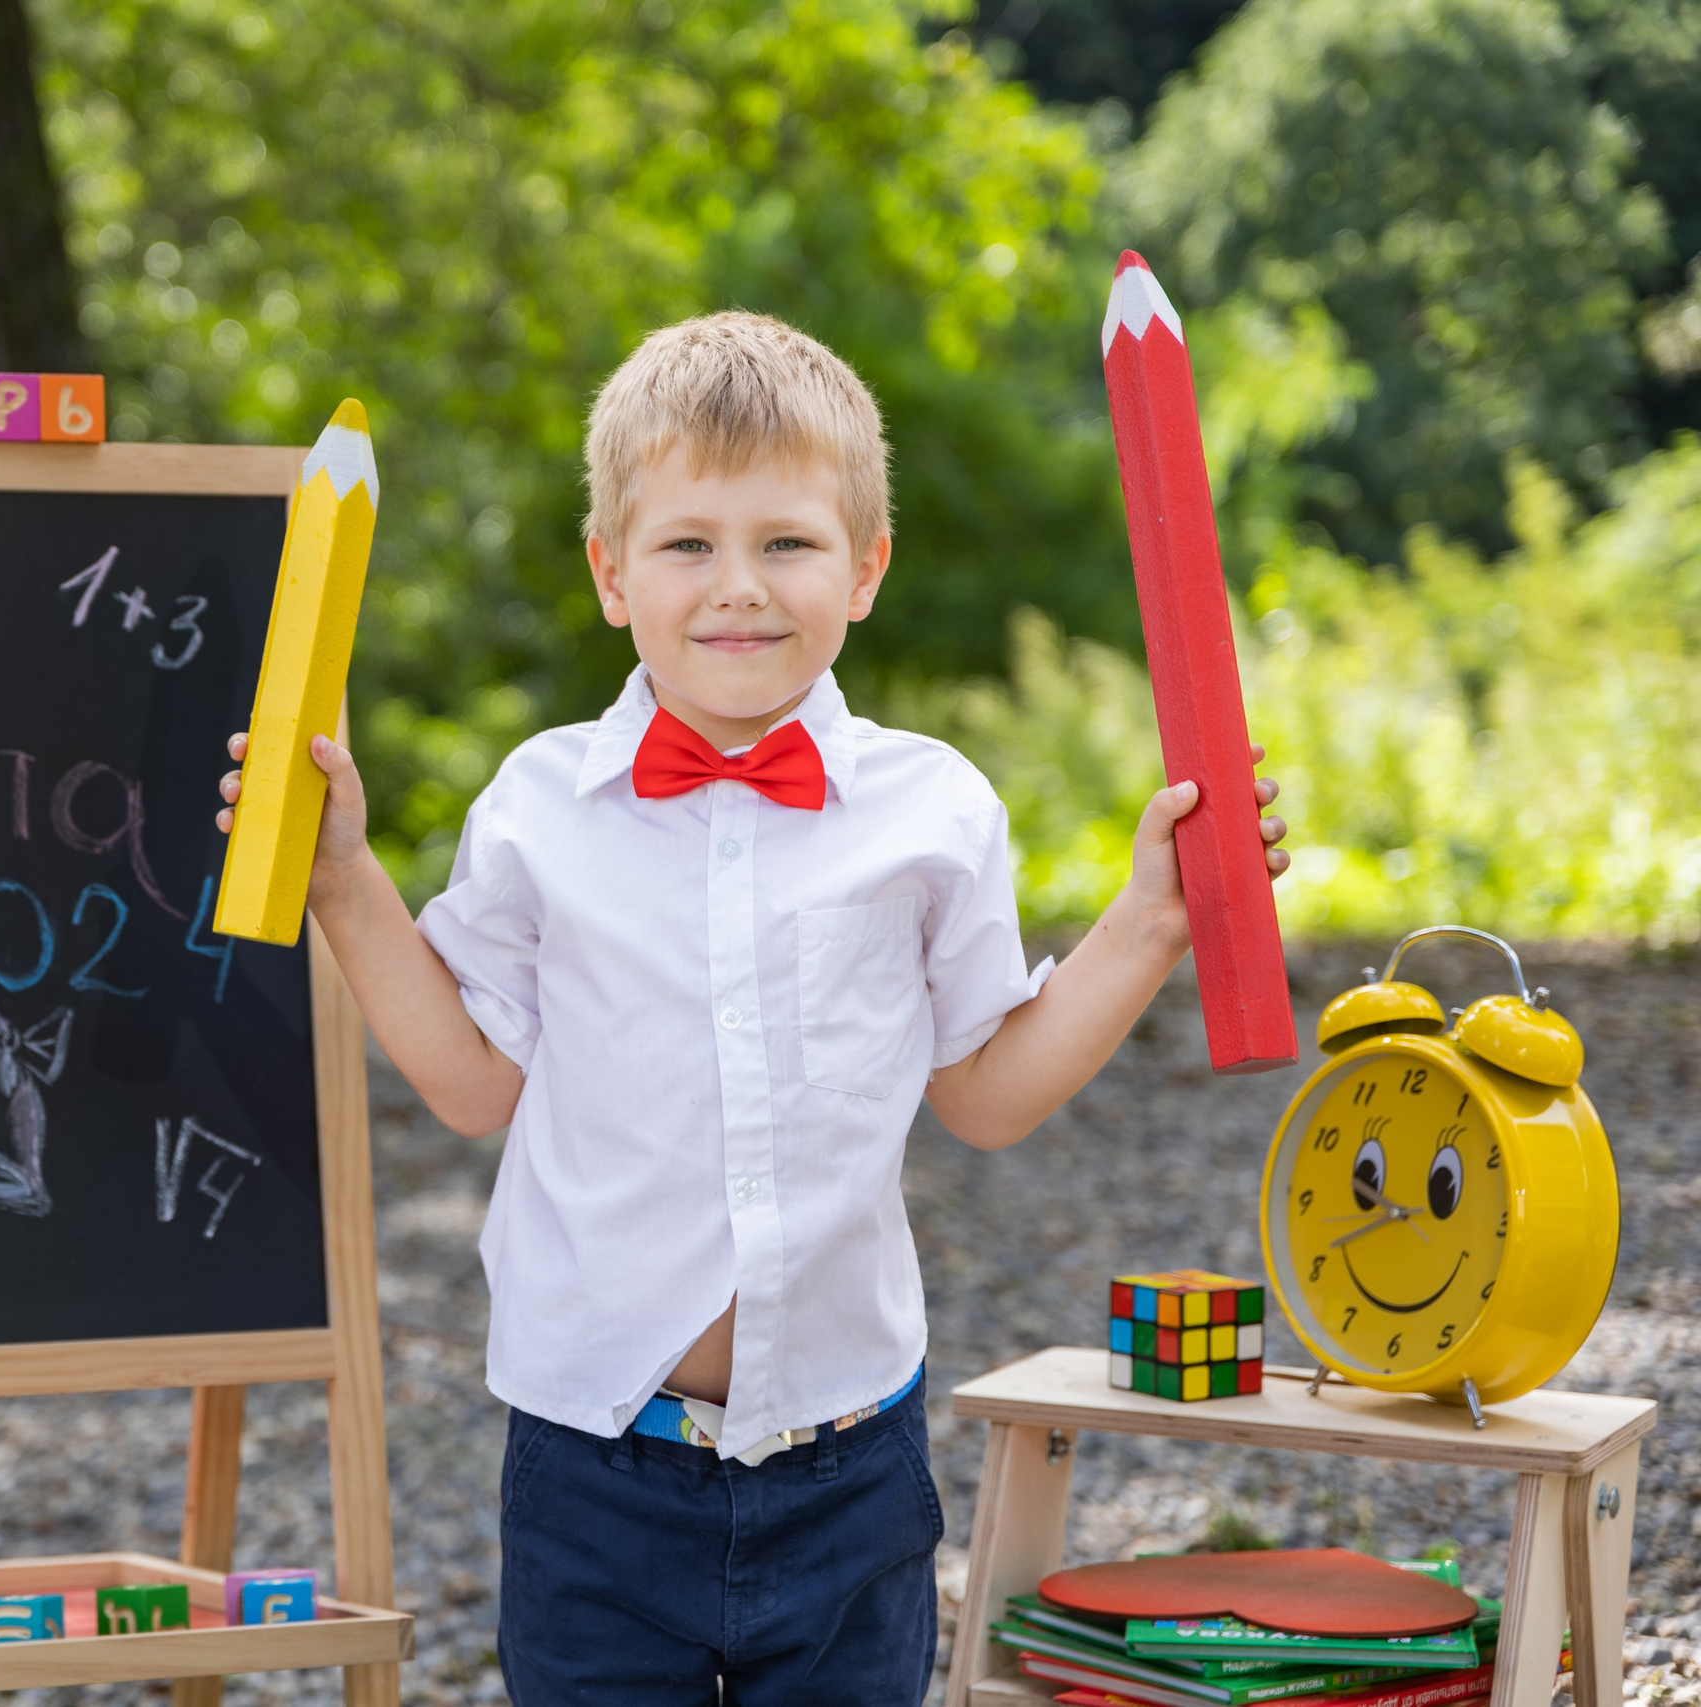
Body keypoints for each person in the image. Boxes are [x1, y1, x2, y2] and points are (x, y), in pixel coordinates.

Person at [214, 311, 1290, 1705]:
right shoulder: (538, 808)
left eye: (786, 543)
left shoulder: (933, 809)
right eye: (687, 546)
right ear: (611, 573)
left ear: (867, 567)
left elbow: (989, 1092)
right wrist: (345, 882)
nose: (740, 588)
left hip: (849, 1458)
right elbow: (475, 1085)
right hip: (596, 1459)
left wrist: (1151, 919)